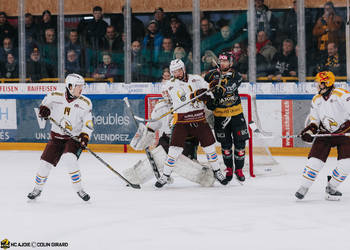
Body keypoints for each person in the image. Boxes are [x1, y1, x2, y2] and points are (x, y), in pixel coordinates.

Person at [154, 59, 227, 188]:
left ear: (183, 69)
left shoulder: (196, 79)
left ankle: (217, 171)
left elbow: (208, 91)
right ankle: (165, 176)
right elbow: (176, 99)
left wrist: (210, 89)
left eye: (179, 70)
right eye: (174, 72)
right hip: (182, 121)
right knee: (174, 150)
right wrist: (194, 95)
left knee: (210, 147)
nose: (177, 73)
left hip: (199, 119)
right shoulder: (169, 85)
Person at [27, 73, 93, 202]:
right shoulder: (54, 96)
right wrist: (44, 110)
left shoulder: (86, 103)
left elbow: (88, 123)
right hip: (56, 137)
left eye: (82, 86)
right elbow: (43, 107)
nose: (81, 89)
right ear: (70, 86)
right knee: (44, 163)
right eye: (78, 86)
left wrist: (85, 136)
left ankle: (79, 189)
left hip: (73, 139)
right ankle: (37, 189)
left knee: (69, 159)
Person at [295, 71, 350, 201]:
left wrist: (343, 129)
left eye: (318, 83)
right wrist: (310, 131)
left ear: (326, 83)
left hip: (345, 133)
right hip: (325, 132)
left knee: (347, 163)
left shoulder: (342, 95)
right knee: (314, 161)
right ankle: (303, 187)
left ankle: (332, 187)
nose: (316, 86)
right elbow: (315, 121)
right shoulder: (316, 99)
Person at [204, 51, 249, 183]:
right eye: (221, 60)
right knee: (226, 145)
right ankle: (229, 168)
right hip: (220, 117)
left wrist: (221, 89)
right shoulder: (212, 74)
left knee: (240, 144)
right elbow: (201, 82)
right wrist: (209, 99)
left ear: (231, 63)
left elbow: (231, 86)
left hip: (236, 115)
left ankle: (239, 170)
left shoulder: (237, 75)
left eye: (225, 61)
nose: (223, 63)